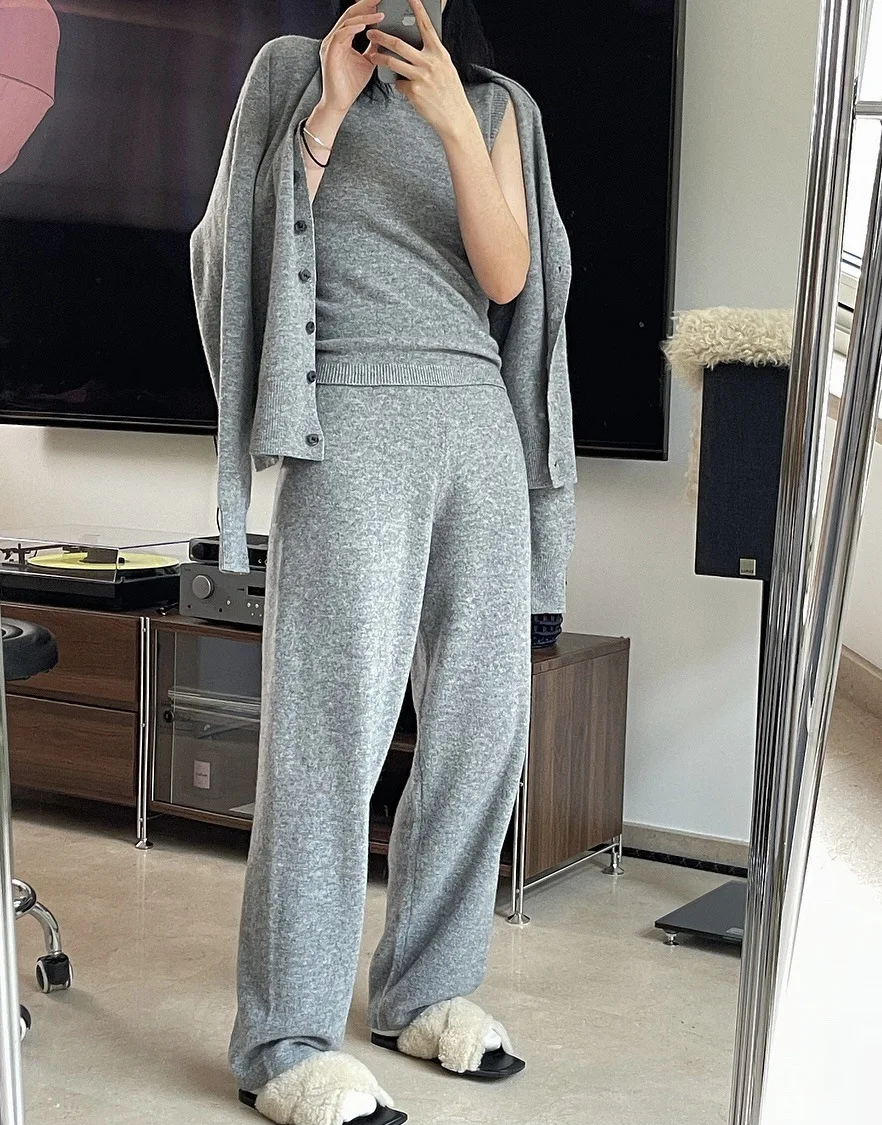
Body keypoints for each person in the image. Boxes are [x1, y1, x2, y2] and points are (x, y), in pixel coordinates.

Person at [190, 2, 576, 1122]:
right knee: (331, 731)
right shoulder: (287, 74)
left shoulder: (500, 106)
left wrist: (453, 118)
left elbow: (507, 279)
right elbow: (241, 250)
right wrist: (327, 110)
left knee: (481, 724)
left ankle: (426, 989)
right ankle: (284, 1039)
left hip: (477, 426)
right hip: (350, 418)